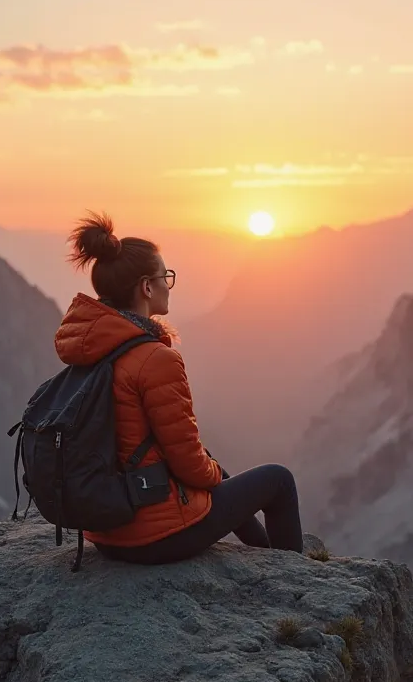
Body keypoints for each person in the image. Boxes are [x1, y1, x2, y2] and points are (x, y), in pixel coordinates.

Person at [55, 212, 304, 564]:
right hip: (156, 536)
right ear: (146, 287)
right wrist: (211, 473)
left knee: (216, 467)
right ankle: (290, 579)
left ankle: (264, 559)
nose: (168, 285)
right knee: (278, 480)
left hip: (107, 529)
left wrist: (213, 471)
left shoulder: (94, 347)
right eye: (165, 277)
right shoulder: (154, 358)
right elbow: (188, 464)